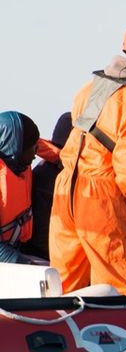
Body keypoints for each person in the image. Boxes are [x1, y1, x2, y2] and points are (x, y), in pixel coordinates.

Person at [50, 19, 126, 294]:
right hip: (101, 200)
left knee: (64, 286)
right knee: (117, 286)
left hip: (65, 191)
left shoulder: (89, 88)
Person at [24, 113, 71, 260]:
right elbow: (42, 234)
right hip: (43, 256)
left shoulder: (46, 169)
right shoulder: (51, 177)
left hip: (41, 252)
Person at [0, 112, 40, 263]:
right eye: (33, 148)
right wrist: (27, 266)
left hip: (17, 250)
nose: (36, 154)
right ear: (16, 147)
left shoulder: (19, 167)